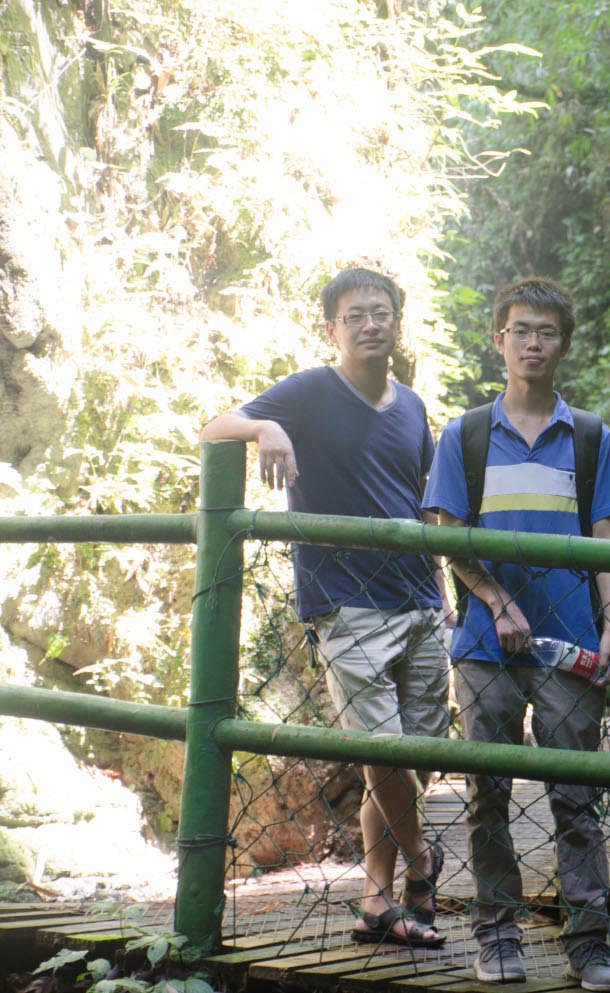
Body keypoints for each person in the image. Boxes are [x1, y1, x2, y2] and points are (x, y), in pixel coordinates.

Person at [200, 267, 449, 948]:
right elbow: (214, 427)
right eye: (355, 315)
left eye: (381, 312)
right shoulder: (310, 391)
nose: (370, 324)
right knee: (383, 752)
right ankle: (421, 864)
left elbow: (422, 503)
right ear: (332, 327)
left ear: (397, 321)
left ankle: (377, 901)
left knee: (410, 760)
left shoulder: (412, 406)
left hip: (422, 601)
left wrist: (444, 593)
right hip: (346, 602)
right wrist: (265, 428)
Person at [423, 277, 610, 990]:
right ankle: (498, 932)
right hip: (487, 644)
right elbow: (448, 532)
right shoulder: (467, 435)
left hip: (571, 640)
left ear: (563, 344)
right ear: (499, 339)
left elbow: (604, 535)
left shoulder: (591, 436)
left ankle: (590, 940)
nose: (532, 343)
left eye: (546, 331)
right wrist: (495, 598)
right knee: (488, 792)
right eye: (520, 330)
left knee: (577, 793)